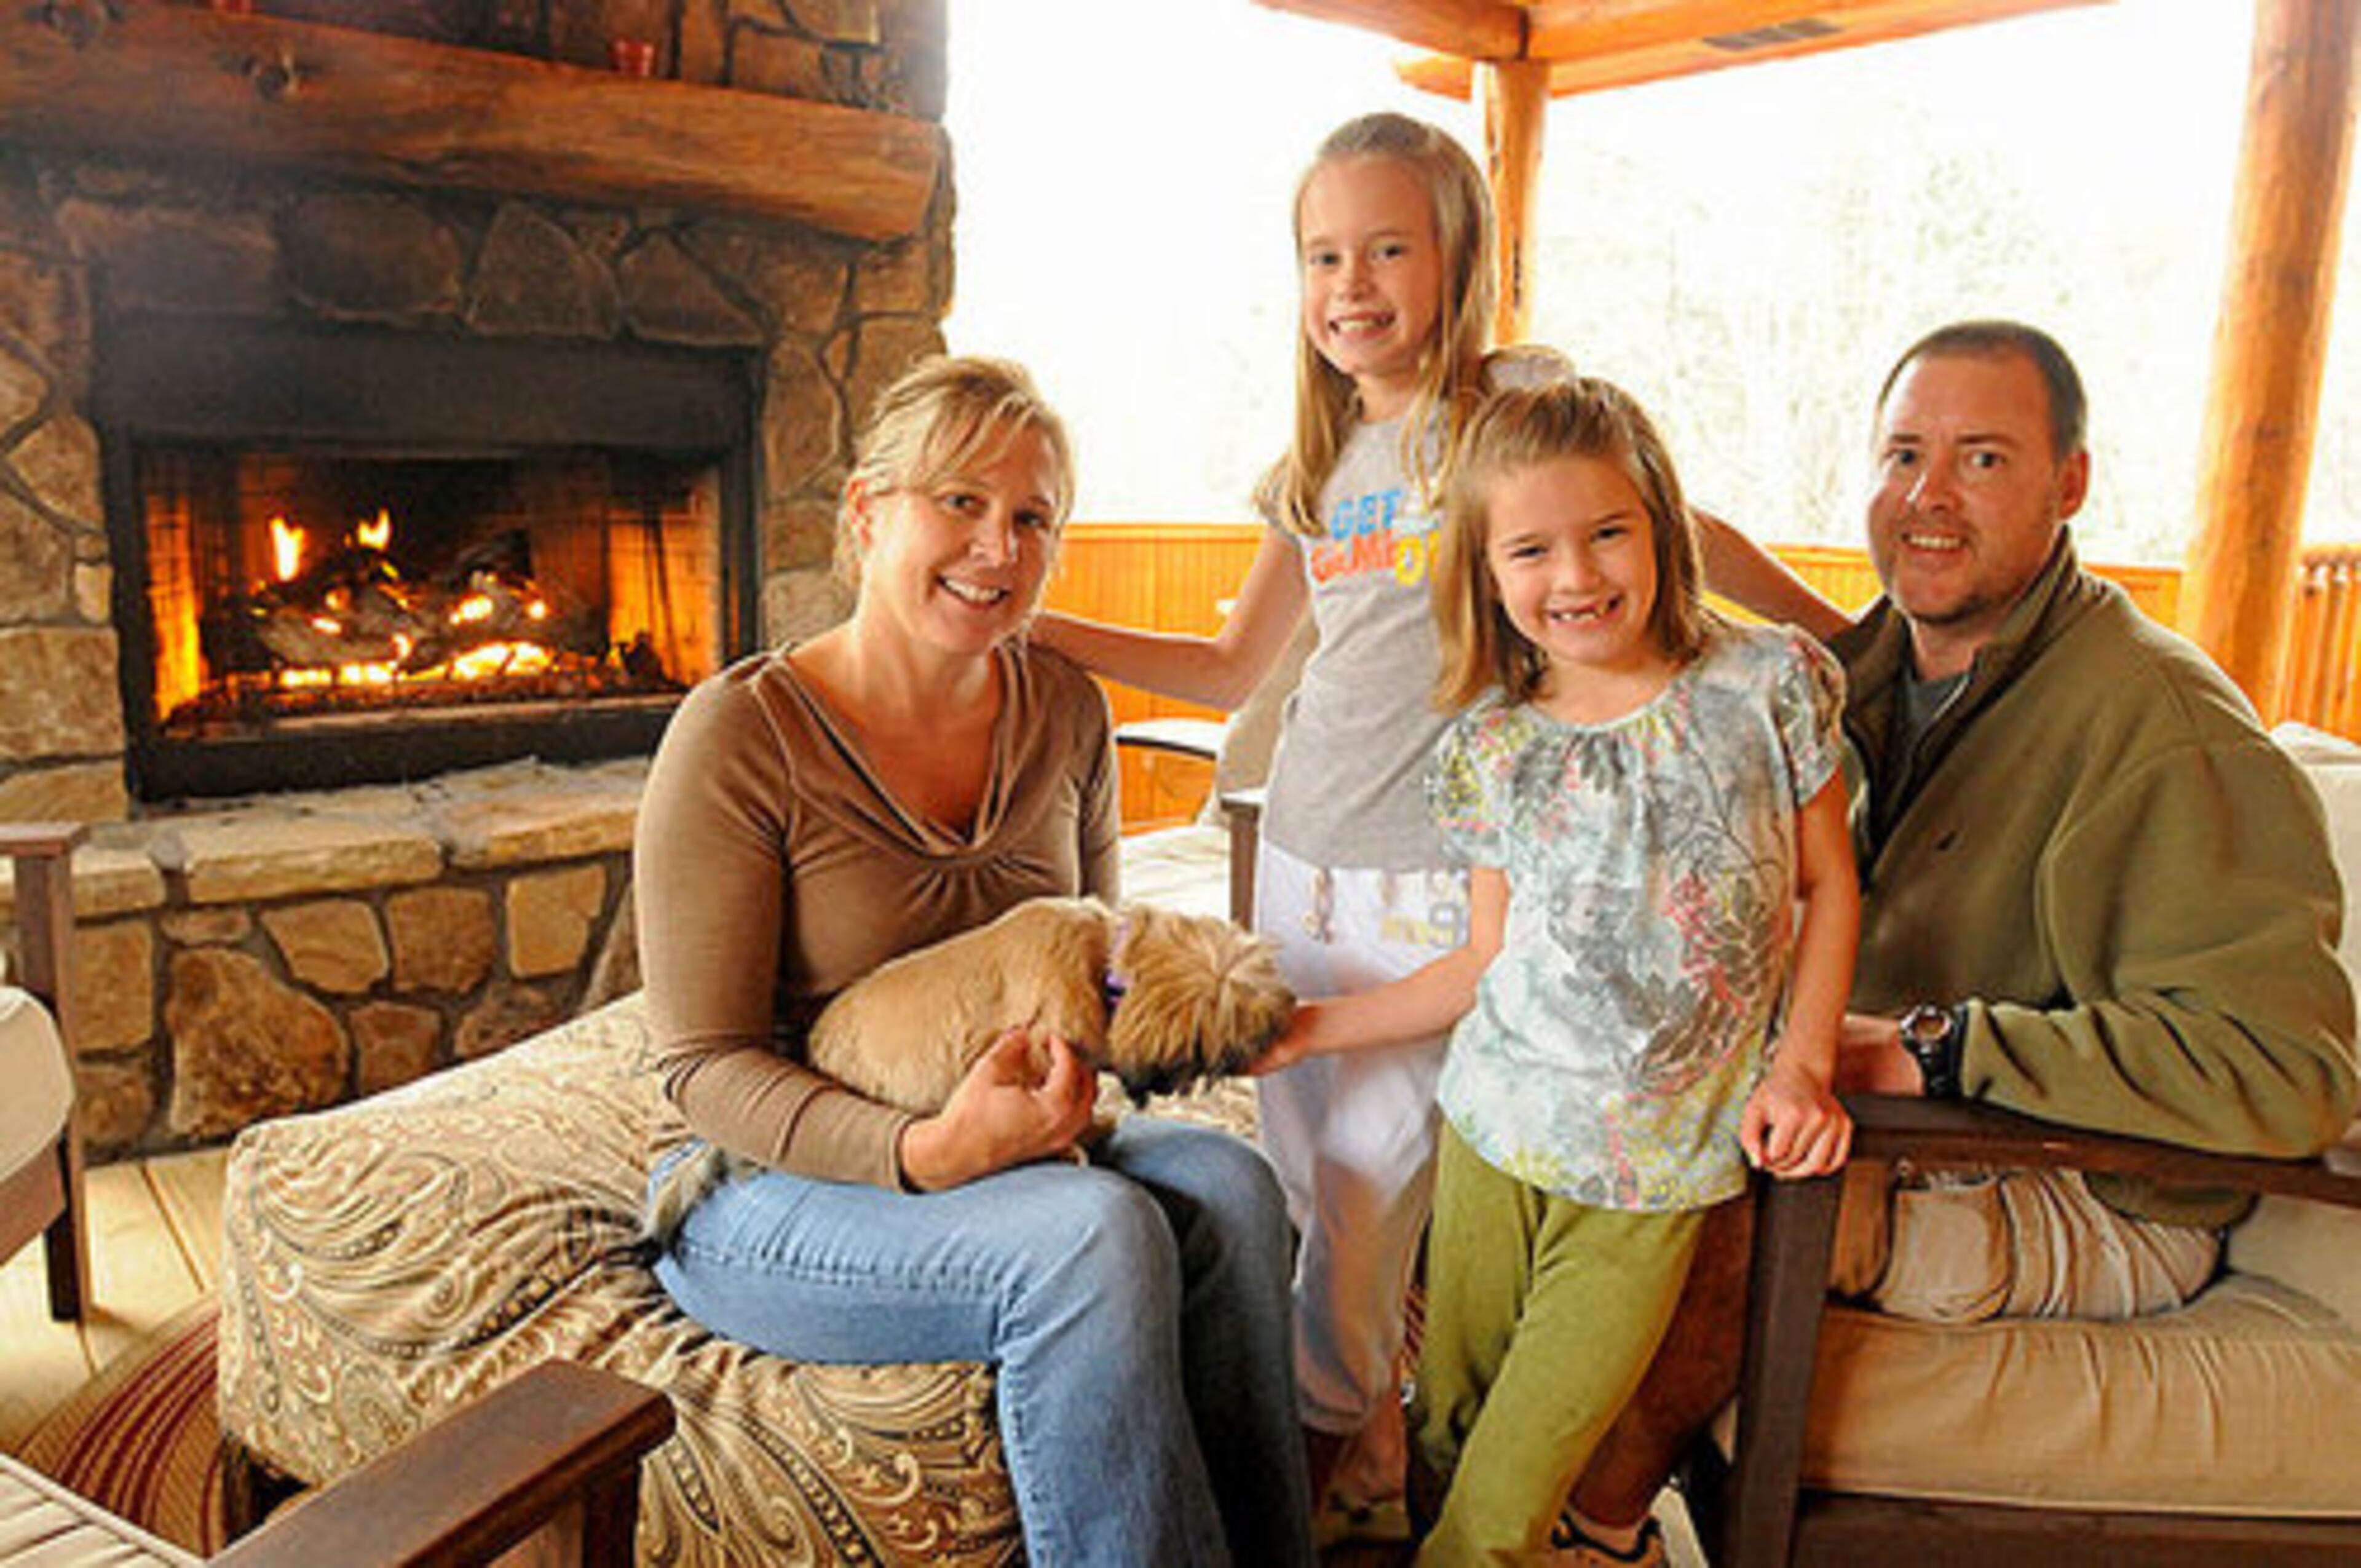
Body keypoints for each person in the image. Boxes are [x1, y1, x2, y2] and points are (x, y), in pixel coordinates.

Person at [1029, 111, 1845, 1534]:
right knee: (1298, 1170)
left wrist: (1848, 635)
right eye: (1322, 255)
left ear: (1455, 255)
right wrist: (1038, 625)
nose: (1352, 284)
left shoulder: (1512, 405)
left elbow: (1663, 518)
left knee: (1377, 1185)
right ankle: (1354, 1449)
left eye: (1387, 247)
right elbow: (1232, 671)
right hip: (1301, 848)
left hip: (1440, 859)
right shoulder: (1313, 461)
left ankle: (1326, 1444)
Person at [1558, 319, 2360, 1567]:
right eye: (1903, 455)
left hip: (2095, 1187)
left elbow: (2288, 1072)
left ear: (2071, 485)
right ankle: (1449, 1454)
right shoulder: (1880, 677)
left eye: (1982, 460)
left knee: (1722, 1188)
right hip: (1895, 1133)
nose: (1927, 498)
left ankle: (1591, 1533)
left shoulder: (2164, 725)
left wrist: (1930, 1052)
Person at [635, 355, 1314, 1568]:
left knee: (1233, 1190)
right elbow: (700, 1065)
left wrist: (1089, 1081)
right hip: (766, 1182)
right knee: (1093, 1237)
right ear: (866, 512)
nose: (997, 548)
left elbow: (1097, 972)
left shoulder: (1065, 711)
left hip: (1005, 1139)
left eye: (1031, 517)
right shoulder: (742, 734)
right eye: (959, 502)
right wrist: (929, 1151)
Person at [1259, 374, 1859, 1561]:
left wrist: (1803, 1065)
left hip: (1655, 1174)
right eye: (1530, 550)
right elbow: (1480, 965)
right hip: (1491, 1136)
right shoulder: (1492, 743)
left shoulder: (1770, 685)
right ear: (1486, 572)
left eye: (1606, 535)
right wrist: (1309, 1029)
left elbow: (1828, 884)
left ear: (1662, 528)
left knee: (1505, 1499)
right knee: (1445, 1438)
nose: (1575, 578)